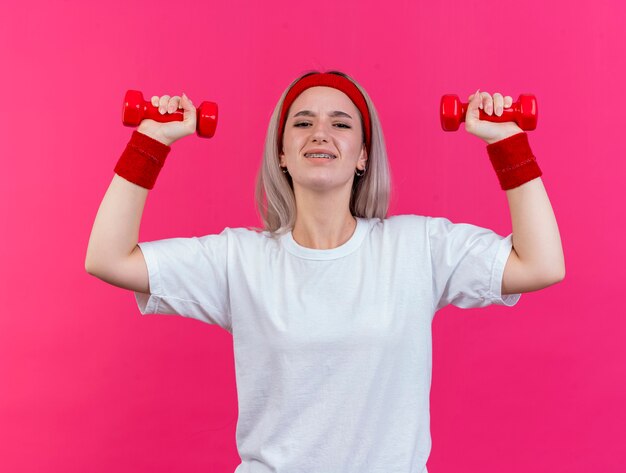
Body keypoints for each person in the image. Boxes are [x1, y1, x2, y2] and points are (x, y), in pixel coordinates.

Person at [85, 70, 565, 473]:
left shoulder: (418, 247)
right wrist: (150, 140)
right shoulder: (239, 259)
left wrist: (508, 142)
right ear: (282, 154)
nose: (320, 133)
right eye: (302, 123)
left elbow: (540, 264)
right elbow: (107, 258)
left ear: (362, 156)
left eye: (340, 123)